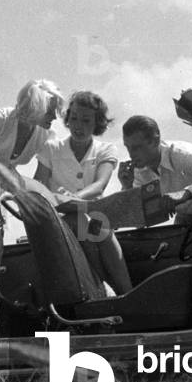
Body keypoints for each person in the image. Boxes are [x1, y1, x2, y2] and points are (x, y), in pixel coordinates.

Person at [35, 91, 133, 295]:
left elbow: (100, 185)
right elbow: (38, 186)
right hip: (60, 219)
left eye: (86, 120)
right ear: (67, 119)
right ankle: (113, 290)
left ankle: (123, 293)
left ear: (97, 123)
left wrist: (75, 198)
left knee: (95, 224)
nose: (78, 126)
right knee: (82, 222)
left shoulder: (106, 150)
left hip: (93, 217)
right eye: (74, 118)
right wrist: (59, 200)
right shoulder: (51, 148)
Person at [118, 115, 192, 224]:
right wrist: (127, 187)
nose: (131, 155)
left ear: (155, 141)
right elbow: (138, 218)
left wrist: (185, 193)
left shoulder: (183, 153)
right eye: (127, 147)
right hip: (185, 219)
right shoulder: (137, 171)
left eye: (137, 148)